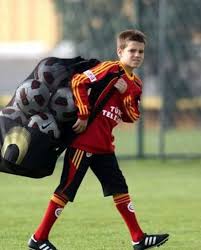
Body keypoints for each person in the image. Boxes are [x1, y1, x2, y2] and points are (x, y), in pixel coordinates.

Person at [28, 29, 169, 250]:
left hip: (104, 146)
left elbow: (132, 116)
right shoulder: (110, 69)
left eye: (141, 51)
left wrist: (124, 94)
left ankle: (138, 238)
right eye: (132, 50)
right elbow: (78, 81)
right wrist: (83, 114)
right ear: (120, 51)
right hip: (83, 143)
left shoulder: (136, 85)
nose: (137, 55)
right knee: (65, 190)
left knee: (120, 189)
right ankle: (38, 238)